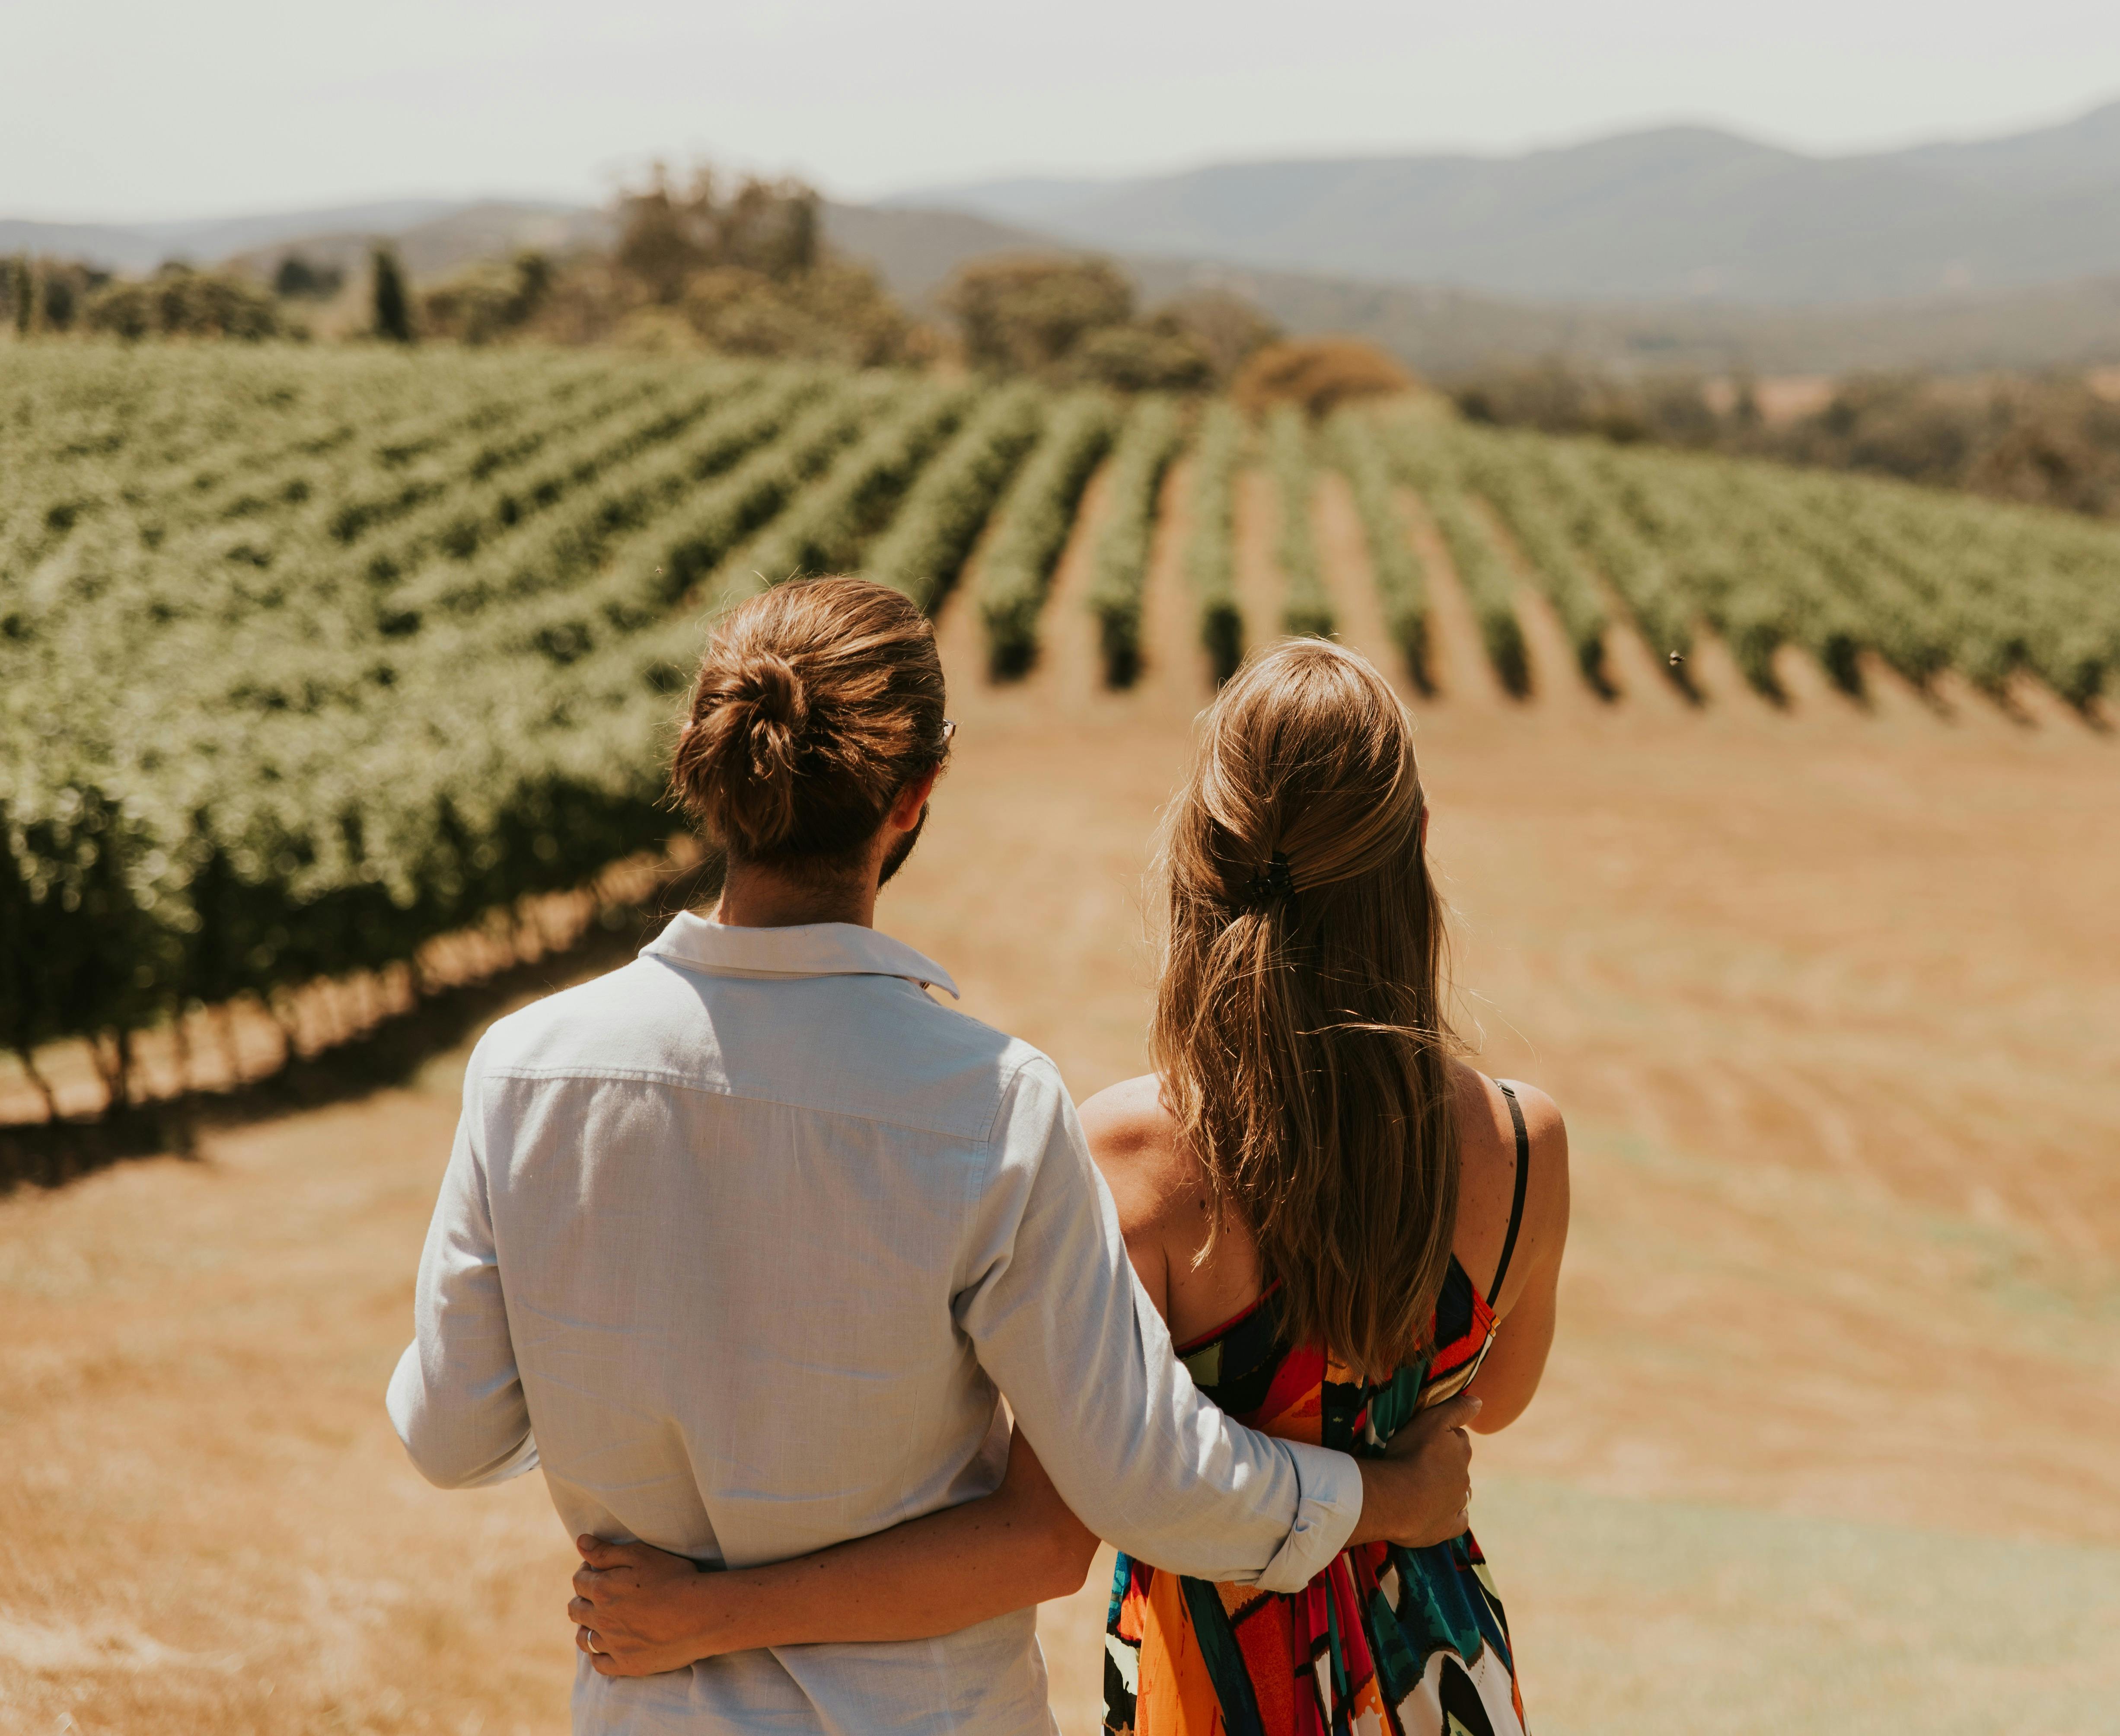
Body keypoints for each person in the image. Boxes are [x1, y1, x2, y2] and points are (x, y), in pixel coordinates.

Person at [387, 581, 1479, 1736]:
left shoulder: (524, 1073)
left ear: (711, 772)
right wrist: (1385, 1496)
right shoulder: (988, 1108)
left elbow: (450, 1436)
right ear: (914, 795)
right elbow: (1141, 1481)